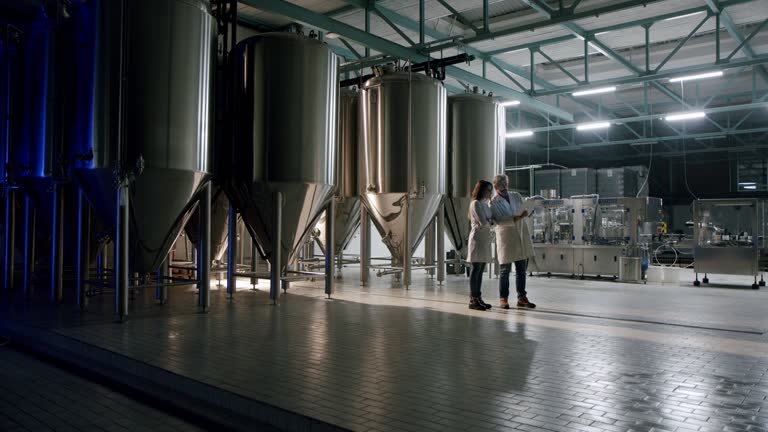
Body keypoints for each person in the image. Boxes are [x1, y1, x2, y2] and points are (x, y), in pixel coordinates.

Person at [489, 174, 536, 309]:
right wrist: (518, 217)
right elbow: (499, 220)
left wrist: (529, 212)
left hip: (520, 234)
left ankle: (522, 297)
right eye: (502, 184)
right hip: (506, 237)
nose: (505, 186)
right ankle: (503, 298)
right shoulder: (493, 202)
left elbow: (522, 209)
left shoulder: (515, 195)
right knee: (505, 270)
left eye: (506, 183)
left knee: (521, 269)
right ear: (496, 186)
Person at [467, 180, 494, 311]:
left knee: (480, 269)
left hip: (484, 239)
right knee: (475, 269)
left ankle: (478, 297)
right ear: (481, 190)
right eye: (488, 190)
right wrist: (490, 222)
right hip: (477, 239)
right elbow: (484, 222)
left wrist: (490, 221)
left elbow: (490, 220)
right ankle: (473, 299)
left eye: (491, 190)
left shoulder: (485, 204)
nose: (490, 192)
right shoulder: (476, 203)